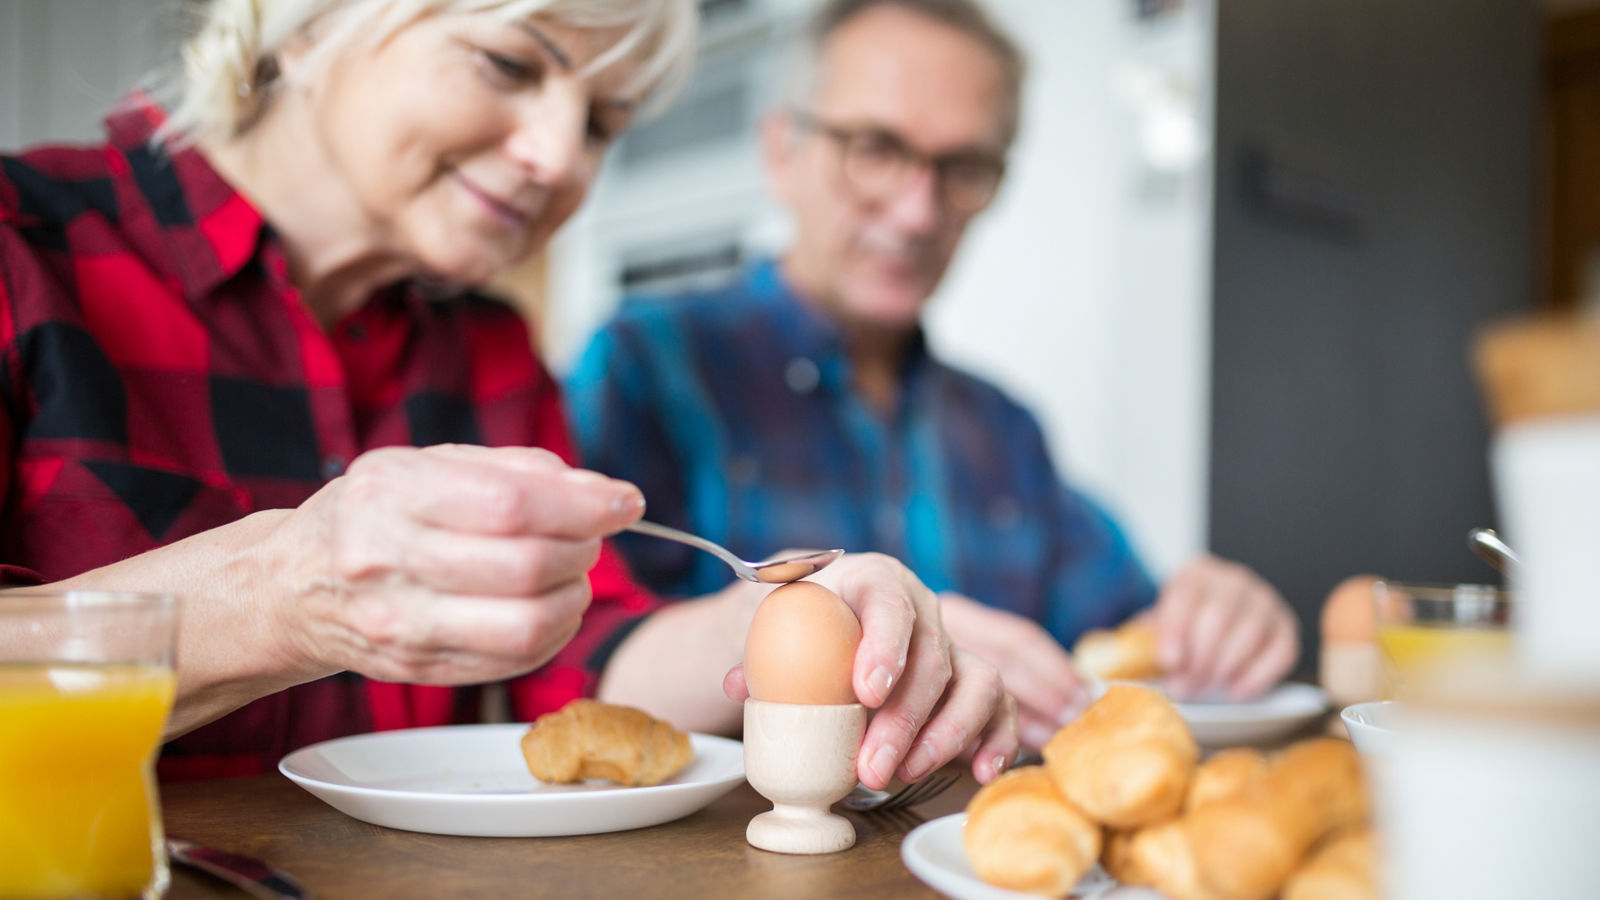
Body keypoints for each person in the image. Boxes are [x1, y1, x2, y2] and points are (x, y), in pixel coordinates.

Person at [0, 0, 1015, 789]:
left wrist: (812, 612)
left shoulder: (489, 350)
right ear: (307, 28)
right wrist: (281, 592)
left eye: (603, 123)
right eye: (509, 64)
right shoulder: (21, 246)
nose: (558, 158)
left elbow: (586, 655)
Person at [566, 0, 1298, 751]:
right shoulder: (645, 367)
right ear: (782, 151)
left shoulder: (1005, 431)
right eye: (876, 148)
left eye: (962, 167)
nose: (919, 212)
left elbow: (1120, 641)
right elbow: (571, 669)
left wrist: (1205, 625)